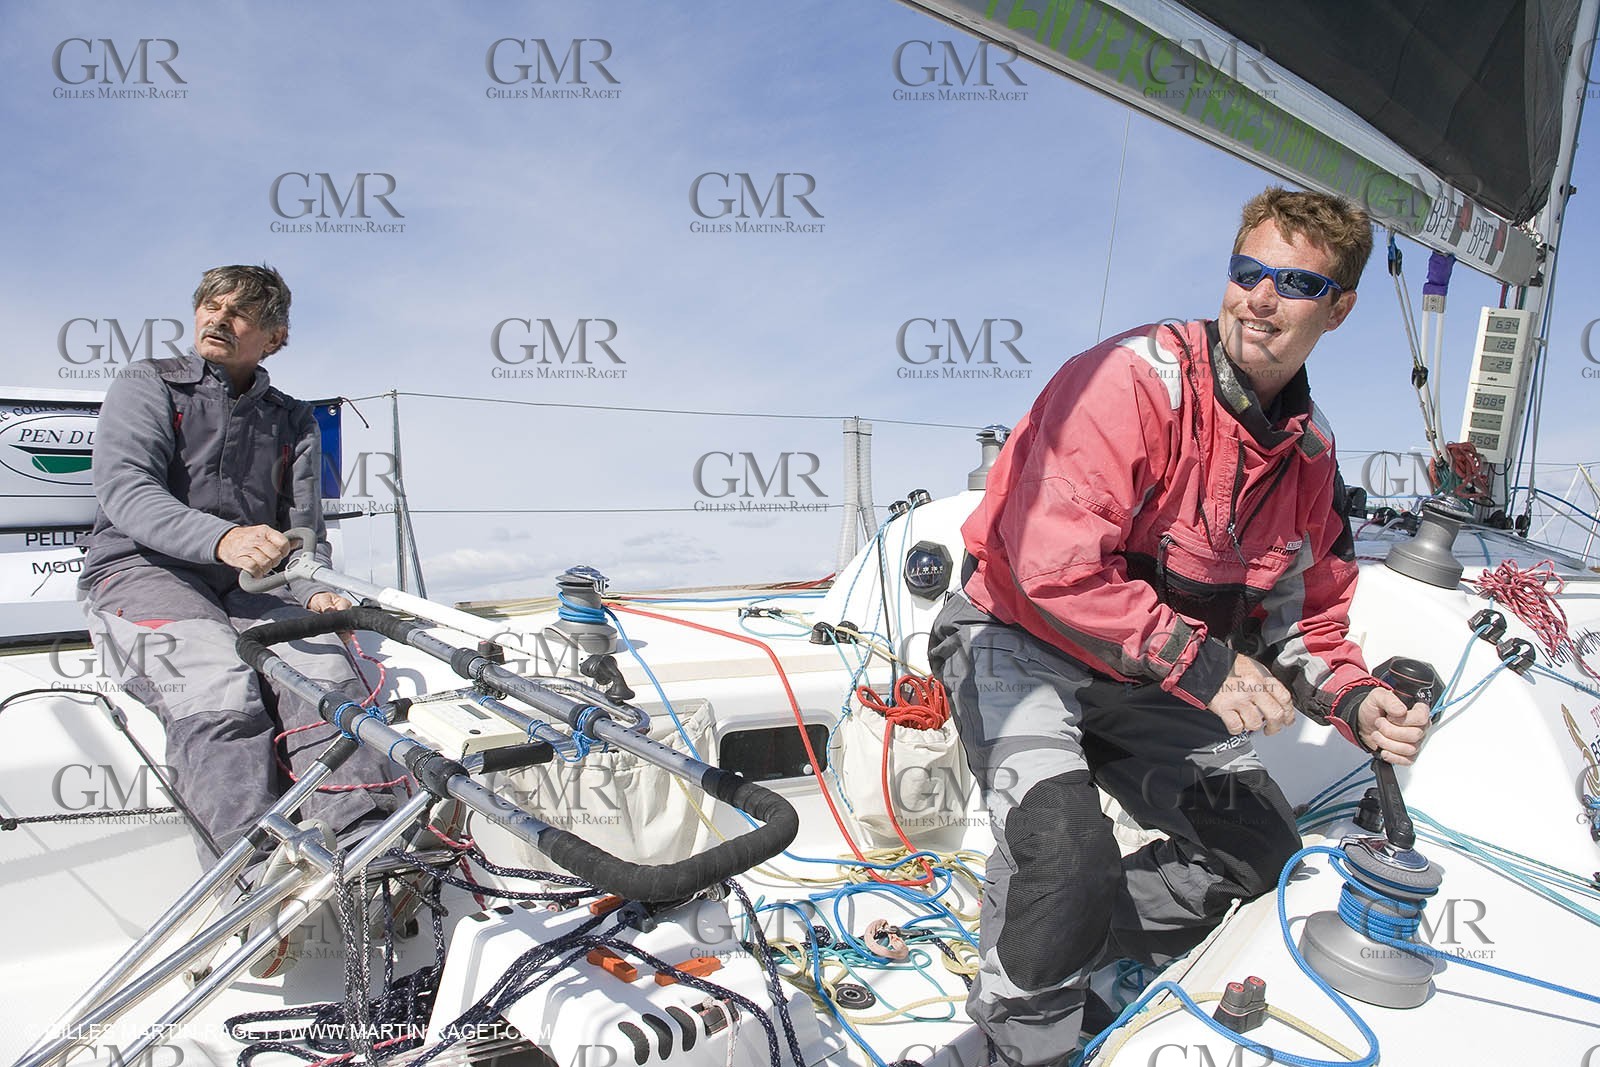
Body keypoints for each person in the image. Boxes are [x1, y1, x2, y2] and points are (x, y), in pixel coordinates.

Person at [926, 188, 1433, 1065]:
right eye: (1248, 272)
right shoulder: (1130, 381)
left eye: (1296, 283)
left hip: (1141, 675)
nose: (1261, 300)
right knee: (1063, 852)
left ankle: (1069, 937)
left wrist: (1356, 701)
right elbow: (1052, 564)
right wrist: (1204, 667)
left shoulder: (1310, 459)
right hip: (1013, 639)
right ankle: (1023, 1041)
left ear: (1340, 309)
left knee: (1262, 851)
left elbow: (1307, 621)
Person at [77, 265, 407, 974]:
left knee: (324, 670)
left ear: (274, 338)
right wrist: (222, 538)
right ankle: (248, 882)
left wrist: (313, 587)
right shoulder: (147, 384)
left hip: (254, 583)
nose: (218, 320)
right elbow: (127, 490)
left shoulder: (293, 419)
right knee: (216, 685)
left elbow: (302, 530)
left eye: (240, 313)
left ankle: (370, 841)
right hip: (141, 571)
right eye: (210, 305)